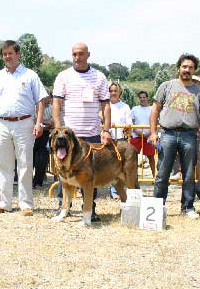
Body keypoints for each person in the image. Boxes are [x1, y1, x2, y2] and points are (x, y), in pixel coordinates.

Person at [149, 53, 200, 219]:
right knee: (162, 174)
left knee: (188, 174)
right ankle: (158, 206)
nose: (187, 70)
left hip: (189, 135)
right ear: (178, 68)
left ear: (195, 70)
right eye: (184, 67)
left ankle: (187, 207)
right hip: (167, 134)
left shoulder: (199, 93)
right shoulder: (166, 86)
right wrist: (153, 133)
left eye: (190, 67)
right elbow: (155, 110)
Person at [0, 40, 47, 216]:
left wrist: (39, 122)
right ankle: (4, 203)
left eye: (10, 53)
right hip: (2, 123)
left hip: (25, 123)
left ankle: (26, 204)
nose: (7, 57)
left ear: (18, 54)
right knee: (3, 164)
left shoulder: (30, 75)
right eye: (4, 54)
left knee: (25, 164)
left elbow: (40, 100)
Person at [52, 42, 111, 222]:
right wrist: (58, 129)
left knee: (89, 176)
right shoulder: (63, 76)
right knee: (64, 170)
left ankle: (89, 210)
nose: (77, 57)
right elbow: (56, 103)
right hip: (69, 135)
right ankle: (63, 208)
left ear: (88, 55)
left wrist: (106, 129)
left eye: (80, 54)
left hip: (92, 133)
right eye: (74, 54)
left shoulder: (99, 77)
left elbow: (106, 104)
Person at [108, 82, 131, 199]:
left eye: (115, 91)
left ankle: (115, 191)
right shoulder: (104, 106)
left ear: (119, 92)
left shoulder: (125, 107)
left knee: (117, 166)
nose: (113, 93)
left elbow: (129, 123)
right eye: (111, 91)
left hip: (120, 140)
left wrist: (123, 126)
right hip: (106, 139)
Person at [130, 90, 157, 177]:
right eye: (140, 97)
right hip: (136, 136)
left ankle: (154, 177)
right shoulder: (134, 109)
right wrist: (136, 131)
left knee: (151, 157)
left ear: (147, 98)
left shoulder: (152, 109)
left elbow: (156, 122)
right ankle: (134, 178)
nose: (142, 99)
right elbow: (131, 122)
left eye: (144, 97)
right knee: (133, 157)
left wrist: (150, 132)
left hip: (149, 136)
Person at [32, 94, 53, 188]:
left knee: (42, 160)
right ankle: (28, 181)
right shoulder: (33, 107)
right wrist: (44, 124)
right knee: (31, 158)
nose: (48, 99)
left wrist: (41, 124)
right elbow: (33, 120)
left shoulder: (52, 108)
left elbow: (53, 123)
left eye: (48, 97)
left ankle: (38, 181)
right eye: (47, 97)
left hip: (46, 135)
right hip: (33, 134)